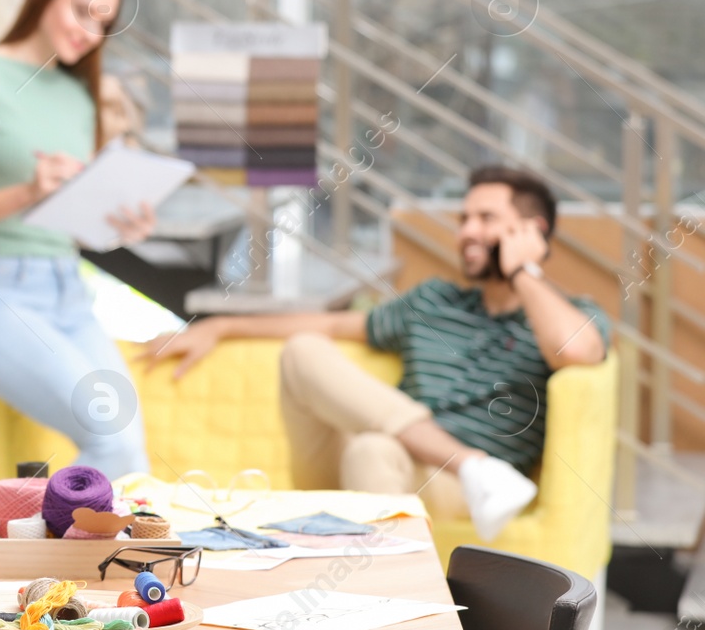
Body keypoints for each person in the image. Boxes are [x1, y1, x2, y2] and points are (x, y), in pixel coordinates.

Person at [144, 165, 610, 540]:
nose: (467, 231)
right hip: (386, 469)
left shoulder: (568, 315)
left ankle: (393, 595)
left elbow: (579, 353)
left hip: (449, 489)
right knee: (305, 350)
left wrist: (525, 270)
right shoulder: (433, 301)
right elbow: (328, 324)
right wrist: (221, 325)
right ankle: (473, 467)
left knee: (373, 449)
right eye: (464, 219)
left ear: (533, 230)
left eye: (486, 219)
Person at [0, 0, 158, 480]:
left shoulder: (81, 98)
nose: (91, 33)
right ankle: (27, 534)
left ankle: (42, 541)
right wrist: (27, 191)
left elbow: (76, 218)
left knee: (129, 451)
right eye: (82, 11)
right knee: (114, 438)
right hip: (0, 296)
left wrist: (122, 226)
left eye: (103, 23)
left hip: (71, 295)